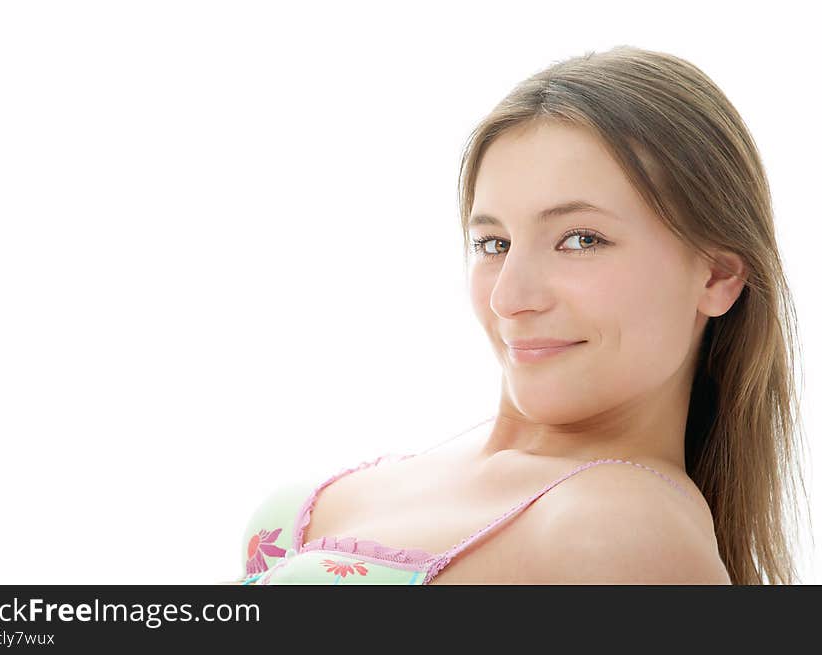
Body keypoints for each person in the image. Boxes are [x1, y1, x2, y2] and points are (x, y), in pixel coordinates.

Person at [233, 45, 810, 585]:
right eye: (493, 243)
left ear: (716, 277)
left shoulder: (622, 531)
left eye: (580, 240)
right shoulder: (411, 479)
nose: (510, 297)